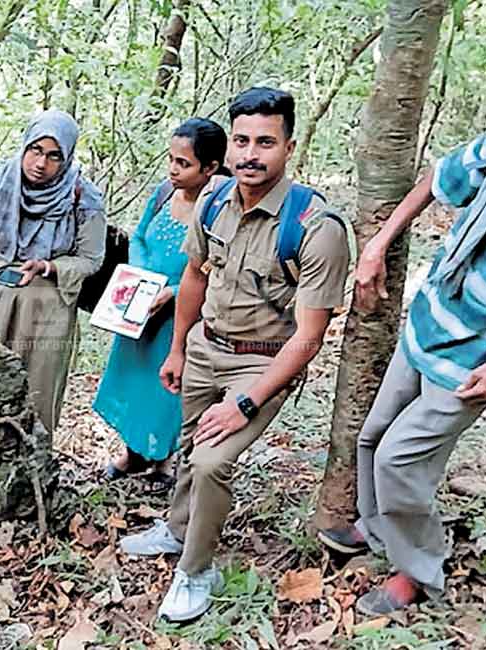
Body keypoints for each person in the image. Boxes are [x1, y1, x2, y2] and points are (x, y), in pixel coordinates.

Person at [117, 88, 350, 623]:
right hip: (205, 346)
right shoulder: (214, 200)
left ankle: (195, 572)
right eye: (242, 140)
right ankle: (177, 530)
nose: (251, 153)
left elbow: (309, 337)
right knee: (187, 443)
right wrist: (177, 348)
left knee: (212, 460)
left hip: (263, 361)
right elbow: (196, 275)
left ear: (289, 146)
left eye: (265, 142)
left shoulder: (316, 227)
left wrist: (246, 402)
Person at [317, 115, 486, 615]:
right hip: (428, 322)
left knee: (401, 460)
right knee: (372, 436)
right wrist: (377, 245)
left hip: (482, 356)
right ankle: (377, 530)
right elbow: (438, 181)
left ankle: (418, 569)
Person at [0, 109, 106, 434]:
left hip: (44, 317)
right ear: (25, 146)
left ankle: (32, 470)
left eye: (54, 156)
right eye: (35, 150)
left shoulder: (83, 199)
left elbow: (90, 259)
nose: (41, 163)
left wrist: (50, 266)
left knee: (35, 394)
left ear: (67, 157)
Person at [94, 118, 228, 490]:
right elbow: (138, 236)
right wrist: (139, 276)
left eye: (183, 164)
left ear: (211, 168)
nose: (173, 169)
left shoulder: (218, 209)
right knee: (132, 379)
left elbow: (214, 266)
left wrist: (169, 290)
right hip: (138, 305)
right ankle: (133, 453)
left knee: (166, 386)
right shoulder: (161, 194)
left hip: (178, 314)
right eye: (170, 160)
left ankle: (163, 460)